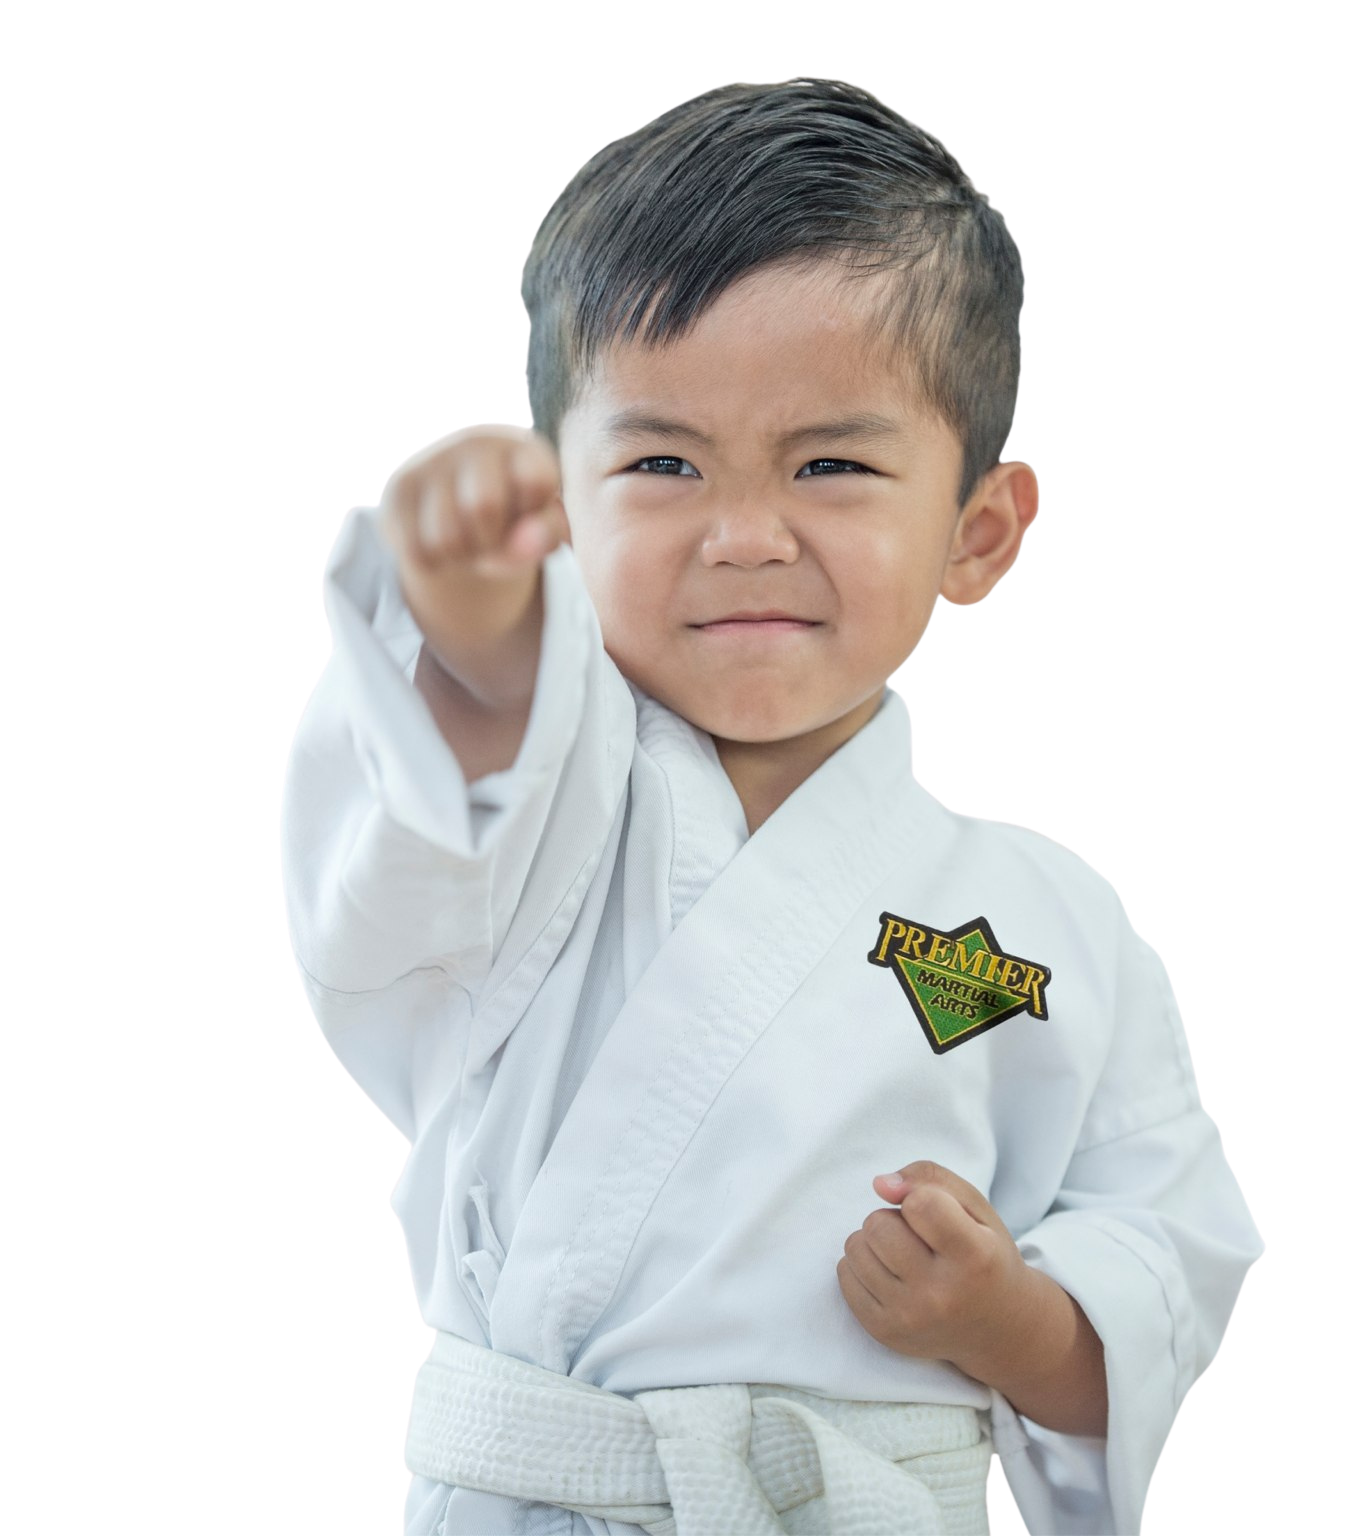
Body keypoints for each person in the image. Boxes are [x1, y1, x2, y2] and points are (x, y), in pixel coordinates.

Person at [279, 76, 1264, 1535]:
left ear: (978, 533)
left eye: (833, 464)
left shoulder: (1051, 920)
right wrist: (473, 626)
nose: (744, 536)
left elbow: (1165, 1255)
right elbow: (421, 834)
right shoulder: (542, 810)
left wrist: (1009, 1324)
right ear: (561, 510)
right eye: (662, 463)